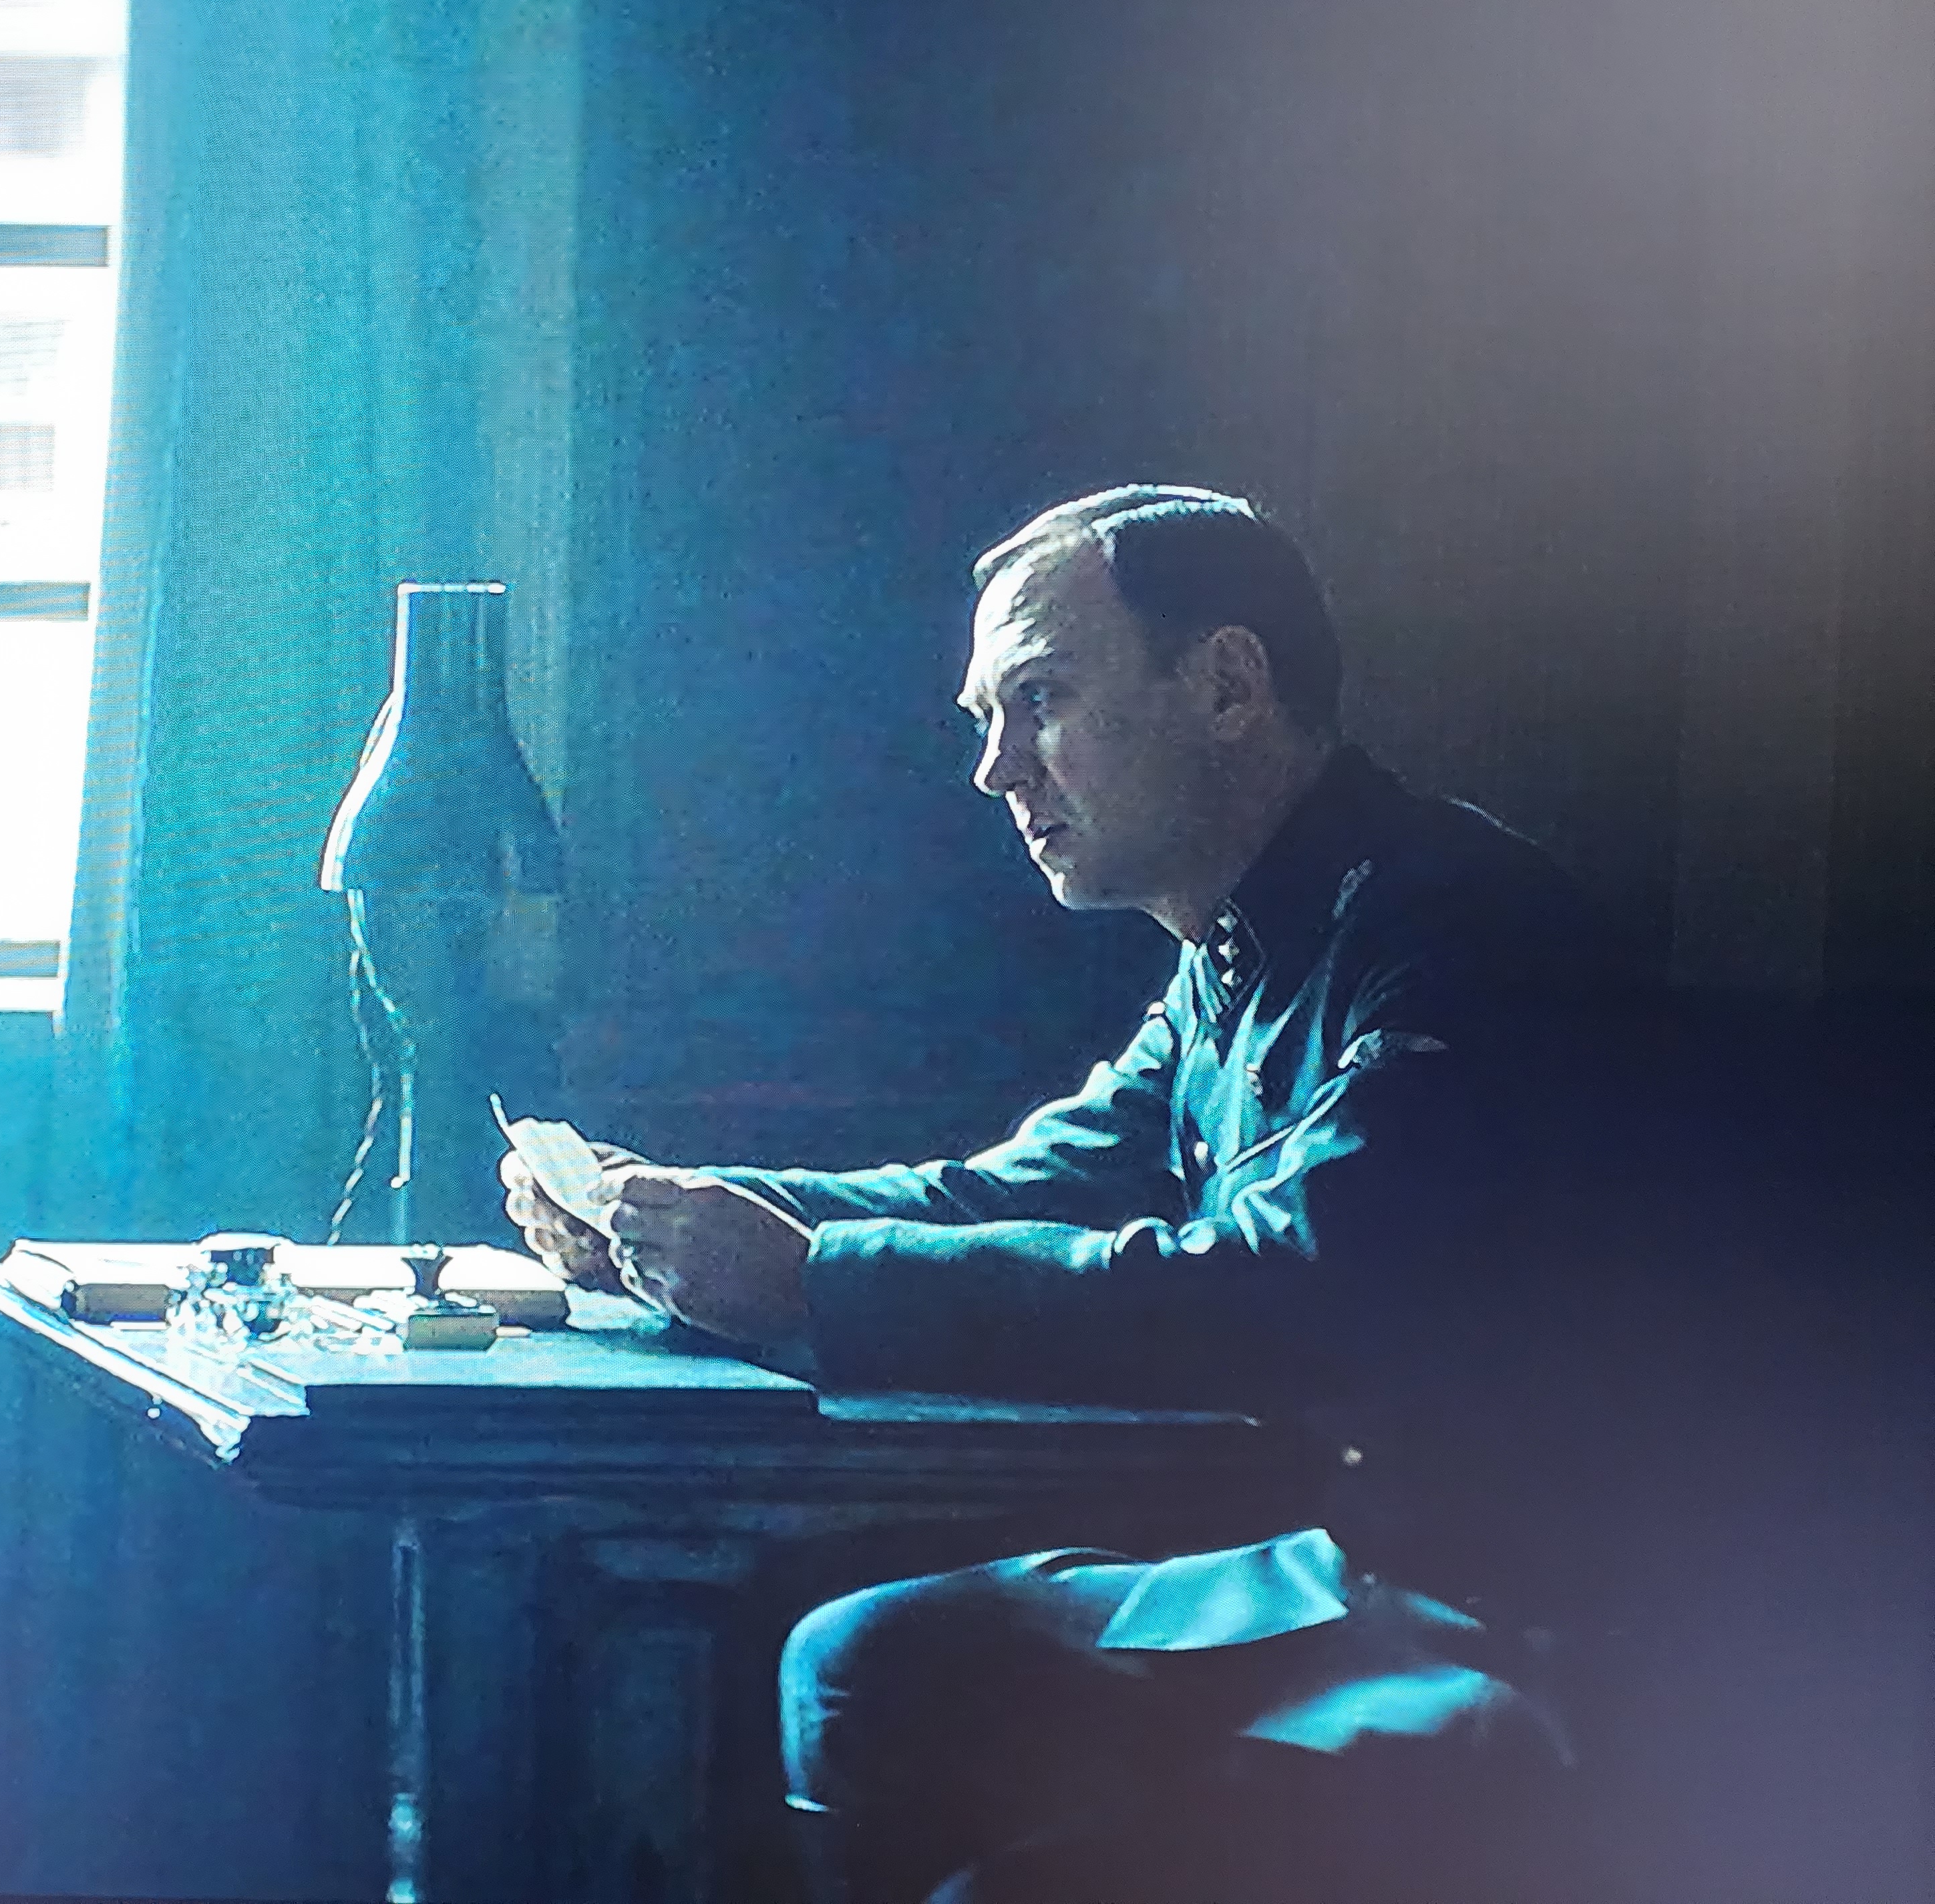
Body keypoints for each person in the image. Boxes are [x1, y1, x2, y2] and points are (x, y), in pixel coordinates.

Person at [501, 486, 1652, 1903]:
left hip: (1524, 1622)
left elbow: (1291, 1288)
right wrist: (668, 1216)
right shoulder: (1236, 950)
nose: (995, 770)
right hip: (1331, 1562)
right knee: (858, 1658)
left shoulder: (1460, 925)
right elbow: (1005, 1190)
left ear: (1226, 686)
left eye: (1037, 700)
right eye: (986, 718)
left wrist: (802, 1280)